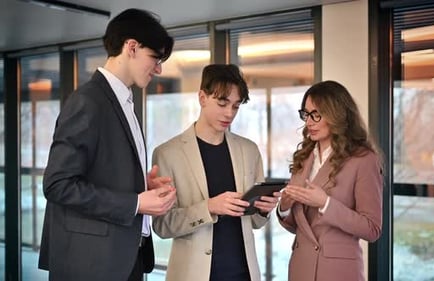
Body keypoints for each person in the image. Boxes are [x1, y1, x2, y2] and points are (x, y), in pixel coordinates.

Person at [38, 9, 177, 281]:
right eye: (156, 58)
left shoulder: (124, 102)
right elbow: (57, 184)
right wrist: (136, 202)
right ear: (132, 47)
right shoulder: (88, 102)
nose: (159, 69)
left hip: (126, 257)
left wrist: (141, 186)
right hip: (92, 263)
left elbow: (102, 174)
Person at [152, 64, 281, 281]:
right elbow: (162, 225)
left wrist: (264, 210)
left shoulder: (249, 150)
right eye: (222, 103)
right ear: (202, 98)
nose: (229, 113)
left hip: (243, 273)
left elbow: (256, 223)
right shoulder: (168, 153)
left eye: (236, 106)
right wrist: (209, 207)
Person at [277, 80, 383, 281]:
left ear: (337, 114)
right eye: (306, 114)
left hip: (337, 271)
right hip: (300, 268)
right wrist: (285, 207)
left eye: (317, 114)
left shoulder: (363, 159)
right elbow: (297, 227)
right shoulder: (303, 157)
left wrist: (325, 204)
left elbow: (372, 229)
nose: (309, 121)